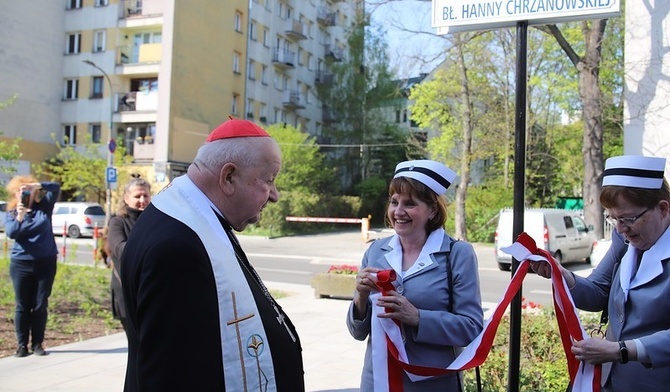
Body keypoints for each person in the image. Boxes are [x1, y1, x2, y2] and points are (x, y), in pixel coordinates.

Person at [120, 118, 304, 392]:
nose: (274, 195)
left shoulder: (189, 216)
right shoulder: (177, 247)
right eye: (269, 180)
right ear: (228, 177)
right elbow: (171, 375)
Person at [532, 155, 670, 391]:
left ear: (662, 208)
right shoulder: (623, 239)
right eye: (612, 218)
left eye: (628, 218)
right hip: (609, 382)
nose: (619, 229)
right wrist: (565, 277)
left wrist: (621, 350)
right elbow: (598, 292)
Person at [347, 160, 484, 391]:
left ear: (432, 210)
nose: (398, 212)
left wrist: (418, 317)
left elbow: (471, 328)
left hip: (433, 383)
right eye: (394, 202)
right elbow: (357, 332)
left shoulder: (457, 254)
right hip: (377, 381)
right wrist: (360, 297)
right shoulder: (375, 251)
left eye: (410, 204)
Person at [4, 176, 60, 358]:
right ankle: (22, 345)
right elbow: (12, 233)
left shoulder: (44, 207)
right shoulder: (12, 212)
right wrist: (20, 216)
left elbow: (55, 188)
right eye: (21, 190)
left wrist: (38, 185)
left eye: (27, 189)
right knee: (22, 305)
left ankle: (38, 343)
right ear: (15, 192)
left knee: (40, 305)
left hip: (45, 262)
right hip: (21, 263)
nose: (25, 192)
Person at [106, 173, 151, 334]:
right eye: (137, 196)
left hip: (151, 289)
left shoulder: (153, 219)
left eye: (146, 195)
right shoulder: (118, 221)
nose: (142, 200)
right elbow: (120, 248)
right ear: (126, 198)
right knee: (136, 344)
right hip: (128, 291)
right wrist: (151, 251)